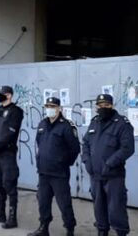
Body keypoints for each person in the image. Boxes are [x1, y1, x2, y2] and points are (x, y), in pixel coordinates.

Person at [82, 94, 135, 236]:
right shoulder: (94, 122)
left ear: (112, 105)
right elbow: (85, 143)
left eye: (106, 105)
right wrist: (87, 161)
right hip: (96, 175)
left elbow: (127, 148)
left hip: (113, 176)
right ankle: (102, 231)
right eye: (99, 105)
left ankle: (121, 233)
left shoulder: (122, 124)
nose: (102, 108)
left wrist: (110, 163)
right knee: (99, 208)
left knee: (116, 208)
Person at [29, 97, 81, 236]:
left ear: (59, 108)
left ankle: (70, 228)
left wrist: (63, 162)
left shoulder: (67, 126)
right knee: (43, 202)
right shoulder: (42, 124)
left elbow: (75, 149)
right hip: (44, 172)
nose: (50, 109)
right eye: (47, 106)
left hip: (59, 174)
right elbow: (39, 143)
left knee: (64, 204)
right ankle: (43, 228)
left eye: (53, 106)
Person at [0, 85, 24, 229]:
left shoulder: (16, 112)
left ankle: (12, 218)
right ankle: (0, 213)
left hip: (7, 153)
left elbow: (10, 134)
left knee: (9, 184)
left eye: (2, 94)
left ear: (9, 95)